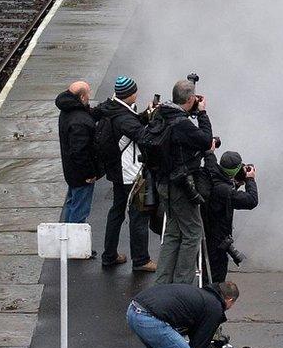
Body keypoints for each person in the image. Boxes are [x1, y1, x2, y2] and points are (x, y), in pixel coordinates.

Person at [154, 79, 213, 284]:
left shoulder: (161, 113)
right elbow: (206, 141)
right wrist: (202, 114)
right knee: (193, 232)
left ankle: (161, 283)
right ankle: (182, 285)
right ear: (190, 99)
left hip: (163, 183)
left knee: (172, 232)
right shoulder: (182, 124)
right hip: (181, 185)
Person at [95, 76, 156, 271]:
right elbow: (143, 137)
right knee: (139, 215)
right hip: (132, 174)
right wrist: (154, 120)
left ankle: (109, 255)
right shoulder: (124, 118)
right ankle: (141, 260)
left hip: (117, 172)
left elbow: (132, 124)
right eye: (135, 92)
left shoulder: (111, 109)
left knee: (116, 213)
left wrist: (146, 115)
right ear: (130, 94)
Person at [201, 150, 258, 282]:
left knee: (207, 268)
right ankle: (212, 296)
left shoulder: (212, 173)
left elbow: (225, 198)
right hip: (216, 238)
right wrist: (250, 180)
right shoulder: (224, 190)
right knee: (216, 275)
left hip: (206, 231)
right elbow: (251, 201)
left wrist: (236, 184)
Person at [56, 80, 98, 223]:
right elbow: (80, 152)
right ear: (81, 97)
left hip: (71, 172)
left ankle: (65, 238)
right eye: (88, 94)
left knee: (71, 204)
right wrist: (90, 174)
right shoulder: (79, 121)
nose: (89, 96)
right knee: (80, 211)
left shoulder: (67, 110)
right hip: (81, 176)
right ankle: (74, 242)